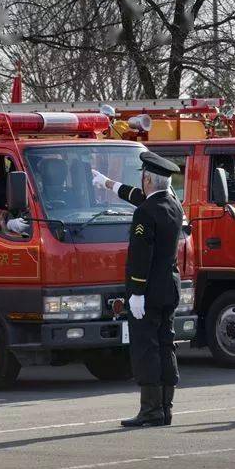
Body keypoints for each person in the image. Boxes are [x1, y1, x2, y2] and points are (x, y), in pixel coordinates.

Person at [92, 153, 183, 426]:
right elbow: (138, 196)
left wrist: (137, 293)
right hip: (170, 287)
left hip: (149, 291)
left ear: (146, 179)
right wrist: (109, 184)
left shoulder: (146, 212)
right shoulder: (173, 204)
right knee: (166, 345)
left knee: (146, 348)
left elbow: (141, 256)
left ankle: (151, 410)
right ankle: (165, 408)